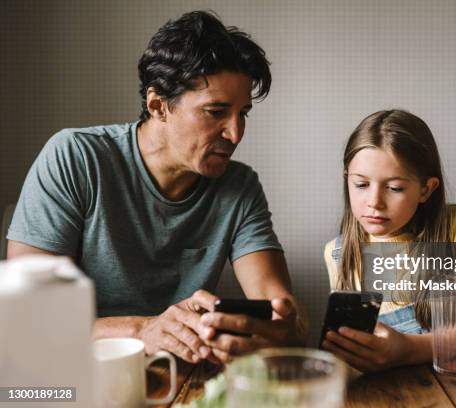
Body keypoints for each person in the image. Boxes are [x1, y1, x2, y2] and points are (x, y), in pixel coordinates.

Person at [7, 10, 306, 364]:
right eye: (216, 112)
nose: (236, 133)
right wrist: (141, 330)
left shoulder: (239, 187)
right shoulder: (74, 157)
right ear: (158, 105)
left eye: (243, 113)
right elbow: (27, 317)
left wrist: (277, 332)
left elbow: (287, 314)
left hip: (181, 377)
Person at [321, 109, 456, 372]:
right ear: (346, 179)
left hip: (453, 382)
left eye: (394, 188)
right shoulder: (337, 252)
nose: (374, 202)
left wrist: (407, 349)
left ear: (426, 190)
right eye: (360, 184)